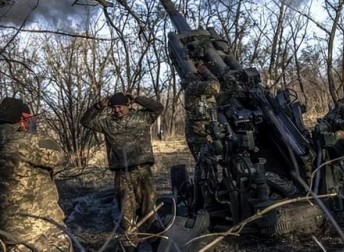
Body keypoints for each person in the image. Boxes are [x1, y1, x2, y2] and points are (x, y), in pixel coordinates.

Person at [80, 92, 164, 249]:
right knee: (126, 214)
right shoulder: (107, 123)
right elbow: (85, 121)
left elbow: (158, 107)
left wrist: (138, 98)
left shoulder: (142, 117)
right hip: (122, 174)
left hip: (142, 170)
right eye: (114, 107)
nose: (117, 110)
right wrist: (98, 106)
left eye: (120, 106)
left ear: (128, 105)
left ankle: (157, 244)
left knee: (149, 211)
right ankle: (131, 246)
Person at [0, 97, 73, 252]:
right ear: (23, 120)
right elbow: (60, 156)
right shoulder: (25, 142)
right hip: (39, 230)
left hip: (7, 234)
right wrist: (32, 134)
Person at [183, 62, 220, 211]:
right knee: (207, 169)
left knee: (202, 168)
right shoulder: (193, 88)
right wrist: (208, 73)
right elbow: (215, 86)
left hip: (204, 136)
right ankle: (209, 205)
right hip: (199, 137)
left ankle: (199, 203)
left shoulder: (200, 94)